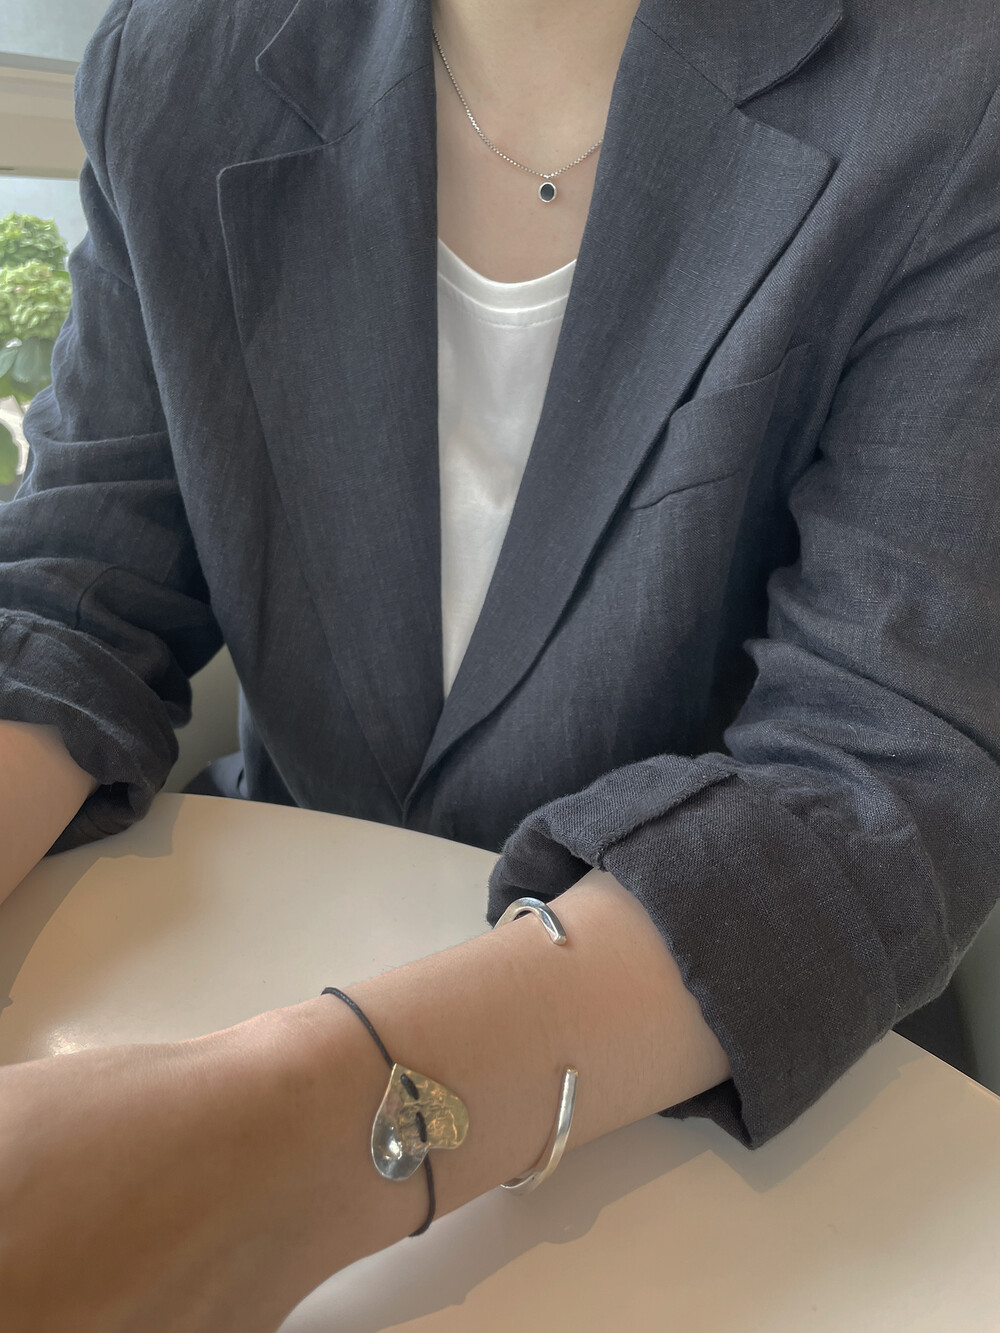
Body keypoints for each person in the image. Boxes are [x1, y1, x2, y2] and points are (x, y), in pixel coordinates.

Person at [0, 0, 997, 1324]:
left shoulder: (950, 93)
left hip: (731, 1125)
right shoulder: (179, 64)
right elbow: (72, 592)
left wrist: (278, 1148)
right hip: (249, 959)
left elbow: (882, 771)